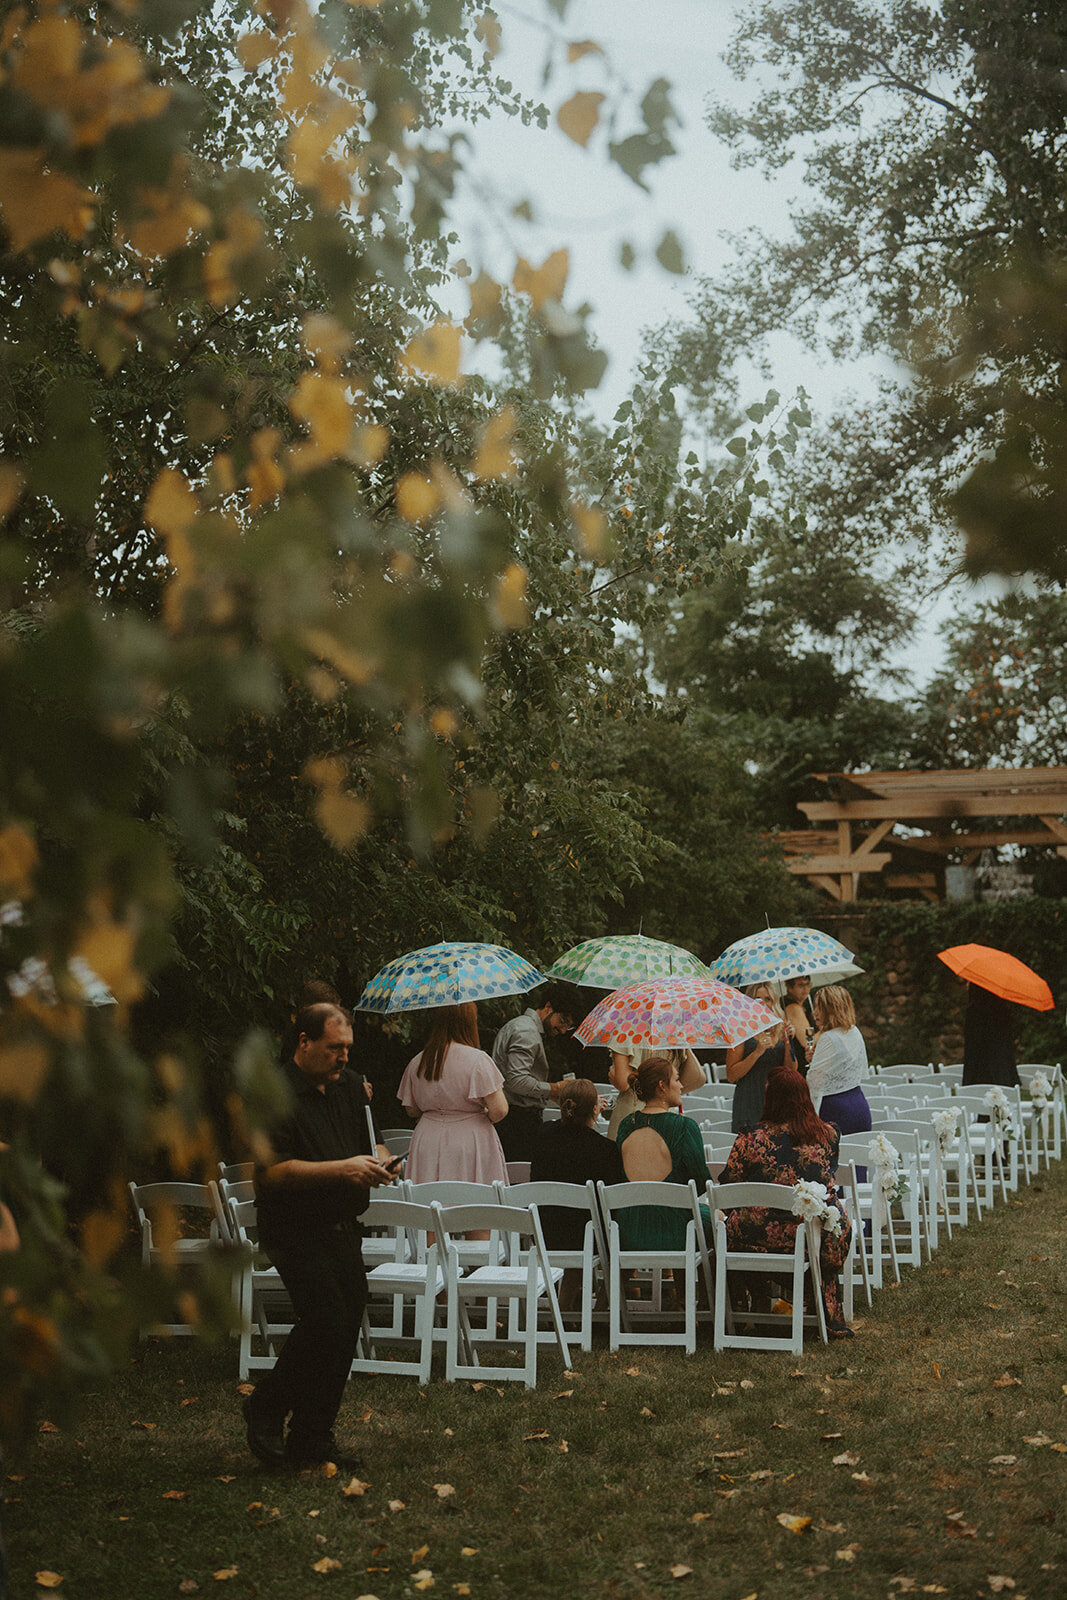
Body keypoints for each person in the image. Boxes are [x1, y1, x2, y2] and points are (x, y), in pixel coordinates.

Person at [245, 1003, 398, 1472]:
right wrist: (345, 1168)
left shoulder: (352, 1087)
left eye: (348, 1048)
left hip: (341, 1222)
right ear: (304, 1043)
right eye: (334, 1048)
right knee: (326, 1316)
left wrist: (378, 1161)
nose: (343, 1057)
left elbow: (366, 1143)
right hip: (292, 1225)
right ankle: (266, 1406)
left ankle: (313, 1435)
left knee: (347, 1320)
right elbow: (272, 1170)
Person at [719, 1065, 854, 1339]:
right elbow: (827, 1179)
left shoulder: (750, 1138)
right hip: (808, 1238)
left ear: (770, 1099)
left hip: (754, 1238)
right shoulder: (827, 1136)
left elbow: (729, 1185)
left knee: (734, 1223)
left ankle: (756, 1298)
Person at [398, 1003, 508, 1184]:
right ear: (469, 1023)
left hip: (427, 1140)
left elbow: (411, 1110)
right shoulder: (478, 1059)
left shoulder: (418, 1060)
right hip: (471, 1140)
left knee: (429, 1199)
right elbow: (500, 1110)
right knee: (471, 1201)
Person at [615, 1056, 712, 1249]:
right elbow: (701, 1183)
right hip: (676, 1230)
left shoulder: (626, 1125)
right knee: (717, 1218)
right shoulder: (684, 1127)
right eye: (676, 1079)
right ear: (662, 1086)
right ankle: (696, 1279)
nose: (681, 1085)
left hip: (629, 1228)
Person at [491, 983, 583, 1161]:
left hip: (513, 1119)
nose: (563, 1030)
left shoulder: (521, 1026)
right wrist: (554, 1088)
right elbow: (516, 1081)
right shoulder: (526, 1032)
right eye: (563, 1020)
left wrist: (547, 1094)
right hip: (516, 1122)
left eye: (568, 1026)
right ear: (548, 1007)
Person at [806, 984, 872, 1137]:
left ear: (830, 1009)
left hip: (836, 1110)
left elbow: (814, 1080)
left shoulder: (828, 1038)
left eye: (818, 1008)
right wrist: (814, 1060)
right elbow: (841, 1066)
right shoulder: (854, 1030)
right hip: (858, 1104)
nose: (814, 1013)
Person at [606, 1044, 705, 1140]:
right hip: (665, 1111)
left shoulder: (626, 1031)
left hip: (632, 1113)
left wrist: (614, 1074)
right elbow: (698, 1078)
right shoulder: (673, 1032)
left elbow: (623, 1082)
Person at [725, 984, 786, 1132]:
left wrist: (790, 1044)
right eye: (758, 999)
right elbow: (731, 1075)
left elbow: (790, 1069)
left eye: (768, 999)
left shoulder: (780, 1029)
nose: (764, 1004)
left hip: (776, 1097)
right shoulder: (740, 1029)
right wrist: (756, 1053)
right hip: (750, 1097)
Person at [962, 983, 1019, 1088]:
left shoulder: (974, 1011)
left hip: (979, 1073)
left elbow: (972, 1047)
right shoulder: (1003, 1010)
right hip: (1003, 1071)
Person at [783, 974, 816, 1071]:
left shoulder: (804, 1005)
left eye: (808, 984)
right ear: (789, 987)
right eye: (801, 985)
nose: (805, 989)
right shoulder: (793, 1007)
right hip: (799, 1065)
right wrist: (825, 1029)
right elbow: (808, 1041)